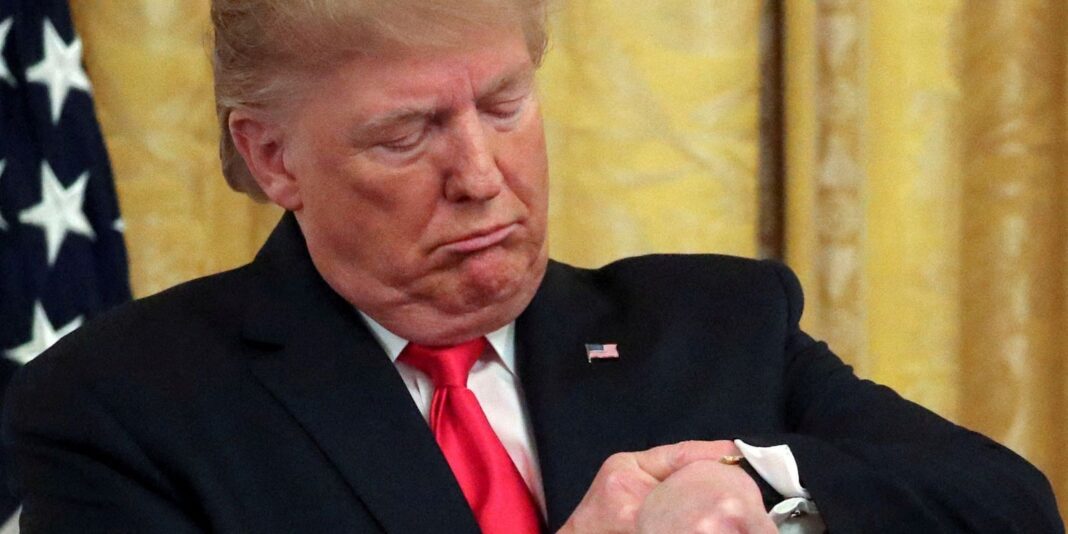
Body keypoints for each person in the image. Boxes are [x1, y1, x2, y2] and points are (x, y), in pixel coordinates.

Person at [3, 1, 1062, 532]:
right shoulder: (124, 405)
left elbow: (1009, 506)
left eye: (505, 105)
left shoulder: (714, 321)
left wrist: (757, 488)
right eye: (407, 134)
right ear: (272, 156)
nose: (481, 175)